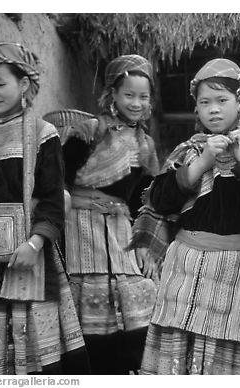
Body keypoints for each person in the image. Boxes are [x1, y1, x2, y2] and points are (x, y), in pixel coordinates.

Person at [131, 58, 240, 374]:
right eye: (204, 102)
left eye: (222, 100)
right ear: (196, 108)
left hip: (238, 270)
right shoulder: (188, 151)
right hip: (185, 269)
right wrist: (203, 161)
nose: (214, 109)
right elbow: (160, 198)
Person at [0, 41, 88, 374]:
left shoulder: (42, 134)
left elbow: (53, 196)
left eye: (0, 83)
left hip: (28, 255)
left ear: (23, 85)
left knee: (33, 353)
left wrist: (35, 242)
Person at [61, 54, 160, 374]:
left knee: (137, 294)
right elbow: (60, 178)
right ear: (113, 95)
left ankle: (126, 371)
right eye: (129, 94)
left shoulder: (146, 145)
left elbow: (144, 202)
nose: (136, 103)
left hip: (120, 228)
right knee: (86, 305)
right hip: (79, 224)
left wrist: (146, 244)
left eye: (143, 96)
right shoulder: (89, 130)